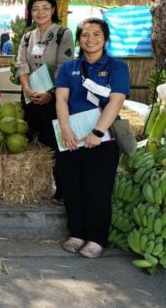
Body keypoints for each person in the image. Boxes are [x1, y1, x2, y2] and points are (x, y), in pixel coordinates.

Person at [55, 18, 129, 258]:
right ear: (79, 40)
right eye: (85, 35)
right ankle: (77, 233)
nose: (90, 39)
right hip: (71, 137)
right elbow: (61, 99)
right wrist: (65, 129)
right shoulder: (68, 68)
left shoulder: (117, 67)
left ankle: (97, 238)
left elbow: (116, 100)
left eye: (96, 34)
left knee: (98, 190)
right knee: (72, 188)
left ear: (105, 38)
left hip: (102, 139)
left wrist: (98, 132)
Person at [14, 0, 74, 205]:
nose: (40, 12)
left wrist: (51, 93)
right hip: (30, 96)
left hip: (55, 97)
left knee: (55, 142)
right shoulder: (28, 36)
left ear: (53, 10)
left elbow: (64, 67)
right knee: (30, 139)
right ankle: (30, 188)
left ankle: (62, 190)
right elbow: (21, 64)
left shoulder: (62, 33)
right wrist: (27, 88)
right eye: (35, 9)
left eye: (45, 8)